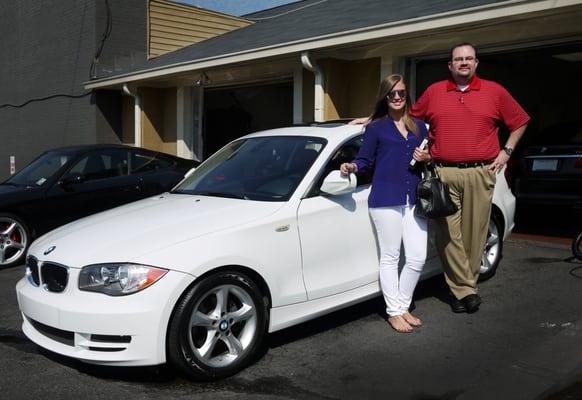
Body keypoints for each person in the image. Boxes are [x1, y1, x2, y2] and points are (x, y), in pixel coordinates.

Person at [409, 43, 530, 313]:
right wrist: (372, 119)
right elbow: (409, 121)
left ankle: (460, 291)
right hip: (444, 173)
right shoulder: (434, 92)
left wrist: (506, 152)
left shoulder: (495, 92)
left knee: (474, 235)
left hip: (481, 171)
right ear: (450, 65)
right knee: (447, 235)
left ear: (476, 63)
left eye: (468, 59)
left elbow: (520, 121)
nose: (463, 63)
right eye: (458, 59)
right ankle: (466, 290)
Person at [341, 74, 431, 333]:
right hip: (384, 200)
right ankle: (394, 312)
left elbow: (430, 157)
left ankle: (402, 306)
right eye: (392, 93)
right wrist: (352, 166)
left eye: (401, 93)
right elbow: (365, 160)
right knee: (391, 257)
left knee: (416, 258)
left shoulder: (419, 126)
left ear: (407, 95)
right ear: (385, 96)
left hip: (414, 198)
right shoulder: (376, 128)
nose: (397, 97)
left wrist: (427, 156)